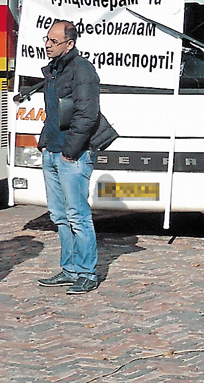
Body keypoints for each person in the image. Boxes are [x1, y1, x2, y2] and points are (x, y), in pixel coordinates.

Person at [34, 20, 117, 294]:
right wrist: (44, 144)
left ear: (69, 44)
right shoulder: (55, 70)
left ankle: (87, 272)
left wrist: (70, 151)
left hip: (73, 155)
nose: (47, 44)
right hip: (53, 153)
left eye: (53, 41)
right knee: (59, 215)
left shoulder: (83, 70)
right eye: (46, 39)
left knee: (77, 215)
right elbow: (53, 113)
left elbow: (87, 114)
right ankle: (69, 269)